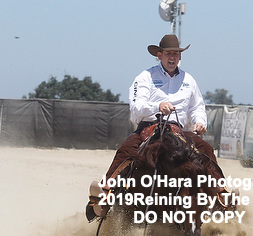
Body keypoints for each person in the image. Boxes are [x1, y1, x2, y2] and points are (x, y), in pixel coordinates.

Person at [89, 34, 231, 219]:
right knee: (126, 150)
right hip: (149, 127)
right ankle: (106, 193)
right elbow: (136, 108)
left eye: (176, 54)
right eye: (168, 53)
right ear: (159, 55)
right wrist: (158, 106)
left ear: (180, 56)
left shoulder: (189, 80)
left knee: (205, 149)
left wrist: (199, 122)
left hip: (178, 130)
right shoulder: (145, 77)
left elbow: (197, 107)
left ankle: (220, 193)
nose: (172, 57)